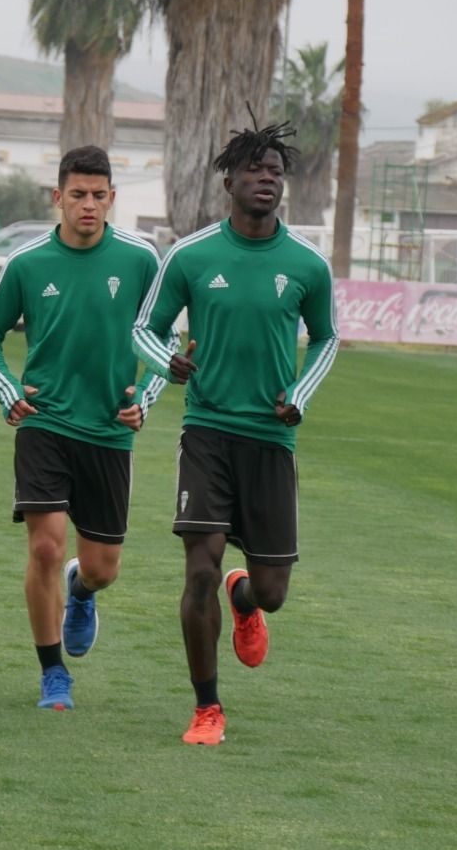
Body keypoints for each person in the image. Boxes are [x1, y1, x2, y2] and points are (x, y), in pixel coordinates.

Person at [132, 120, 339, 747]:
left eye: (275, 171)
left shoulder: (307, 264)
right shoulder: (191, 256)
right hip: (208, 434)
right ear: (229, 181)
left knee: (273, 592)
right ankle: (206, 708)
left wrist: (299, 395)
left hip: (272, 442)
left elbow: (328, 337)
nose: (266, 179)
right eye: (254, 169)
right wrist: (166, 362)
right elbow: (145, 328)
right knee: (199, 569)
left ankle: (244, 601)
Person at [0, 145, 169, 712]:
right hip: (46, 425)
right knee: (43, 547)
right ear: (57, 197)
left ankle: (81, 592)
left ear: (113, 198)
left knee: (103, 568)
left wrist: (147, 399)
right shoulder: (27, 263)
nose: (89, 205)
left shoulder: (140, 259)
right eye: (78, 194)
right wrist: (9, 393)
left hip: (110, 432)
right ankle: (52, 671)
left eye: (99, 195)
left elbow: (168, 344)